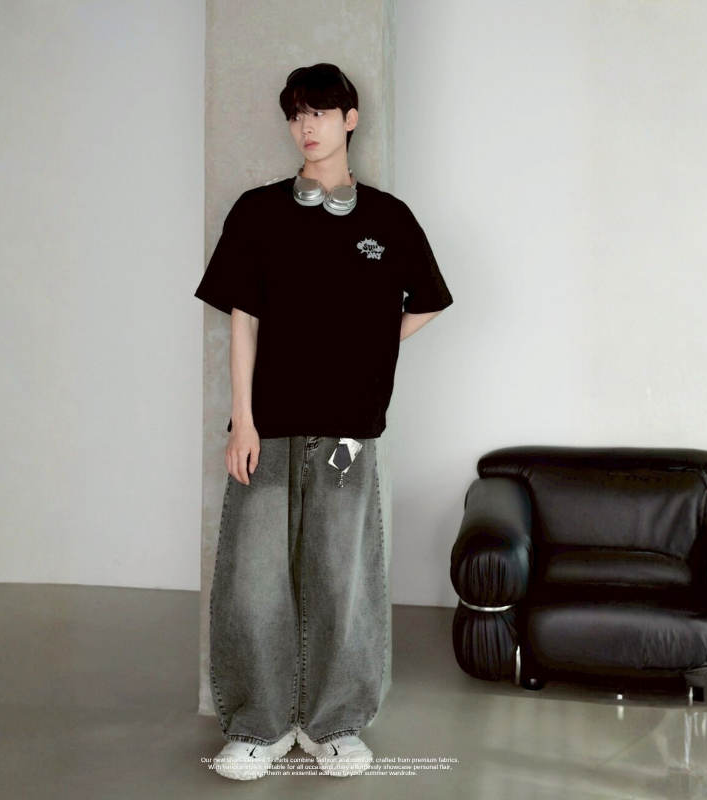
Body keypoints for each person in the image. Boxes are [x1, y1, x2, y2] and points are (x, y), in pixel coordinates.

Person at [194, 63, 453, 781]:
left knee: (342, 579)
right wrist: (241, 420)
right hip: (269, 425)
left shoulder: (388, 219)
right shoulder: (258, 212)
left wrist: (368, 349)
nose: (306, 126)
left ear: (350, 119)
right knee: (254, 582)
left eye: (320, 111)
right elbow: (243, 320)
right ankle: (258, 727)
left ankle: (334, 725)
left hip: (348, 430)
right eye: (296, 114)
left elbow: (429, 300)